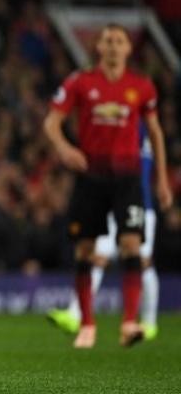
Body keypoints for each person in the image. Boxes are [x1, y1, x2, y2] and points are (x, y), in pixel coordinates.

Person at [44, 24, 172, 349]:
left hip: (128, 178)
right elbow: (51, 123)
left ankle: (129, 323)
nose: (113, 46)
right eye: (108, 41)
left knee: (132, 246)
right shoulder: (81, 82)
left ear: (129, 49)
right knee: (85, 250)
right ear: (98, 47)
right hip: (91, 176)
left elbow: (155, 133)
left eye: (119, 41)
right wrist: (64, 148)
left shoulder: (141, 87)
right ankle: (87, 324)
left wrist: (161, 178)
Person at [47, 122, 160, 340]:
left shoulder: (138, 130)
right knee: (96, 256)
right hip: (111, 202)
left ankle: (149, 322)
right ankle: (75, 313)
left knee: (143, 262)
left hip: (139, 204)